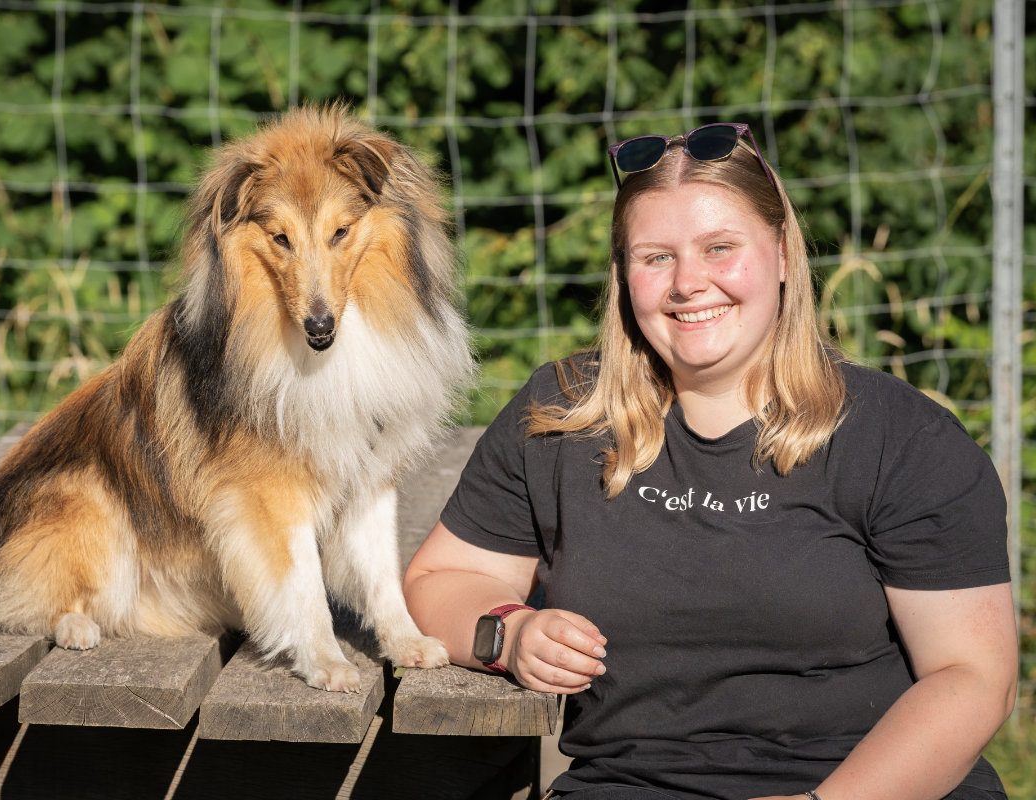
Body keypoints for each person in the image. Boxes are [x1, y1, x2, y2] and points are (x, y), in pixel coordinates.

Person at [403, 123, 1018, 800]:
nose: (688, 283)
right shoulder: (563, 417)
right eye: (655, 257)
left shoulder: (901, 438)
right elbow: (442, 579)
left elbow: (970, 677)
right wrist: (508, 634)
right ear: (621, 273)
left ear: (782, 254)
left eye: (719, 248)